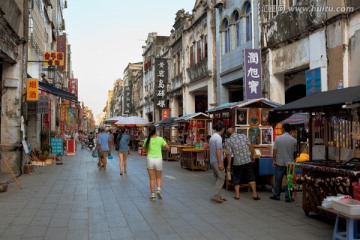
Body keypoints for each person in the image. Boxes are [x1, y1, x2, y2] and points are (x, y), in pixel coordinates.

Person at [225, 128, 260, 200]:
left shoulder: (228, 141)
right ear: (234, 131)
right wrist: (253, 155)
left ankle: (237, 195)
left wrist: (229, 165)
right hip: (247, 160)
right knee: (251, 177)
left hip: (237, 162)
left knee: (237, 178)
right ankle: (255, 194)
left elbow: (229, 154)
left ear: (228, 135)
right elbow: (250, 146)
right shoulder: (243, 136)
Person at [270, 123, 298, 202]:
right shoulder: (294, 140)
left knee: (278, 180)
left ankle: (276, 195)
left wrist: (274, 160)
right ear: (290, 130)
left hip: (280, 162)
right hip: (290, 163)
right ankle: (288, 196)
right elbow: (295, 153)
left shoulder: (278, 139)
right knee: (290, 181)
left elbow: (274, 151)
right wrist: (293, 159)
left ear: (283, 129)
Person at [143, 125, 170, 200]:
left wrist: (148, 150)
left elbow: (144, 150)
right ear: (155, 131)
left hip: (150, 160)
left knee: (152, 178)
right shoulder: (160, 139)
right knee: (158, 177)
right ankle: (158, 189)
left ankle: (152, 195)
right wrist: (166, 149)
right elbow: (168, 147)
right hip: (158, 160)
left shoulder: (146, 140)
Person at [209, 122, 227, 203]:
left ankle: (218, 195)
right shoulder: (218, 138)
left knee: (217, 178)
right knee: (221, 178)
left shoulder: (212, 137)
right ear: (223, 129)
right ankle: (215, 195)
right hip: (217, 160)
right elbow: (218, 151)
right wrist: (220, 162)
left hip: (213, 160)